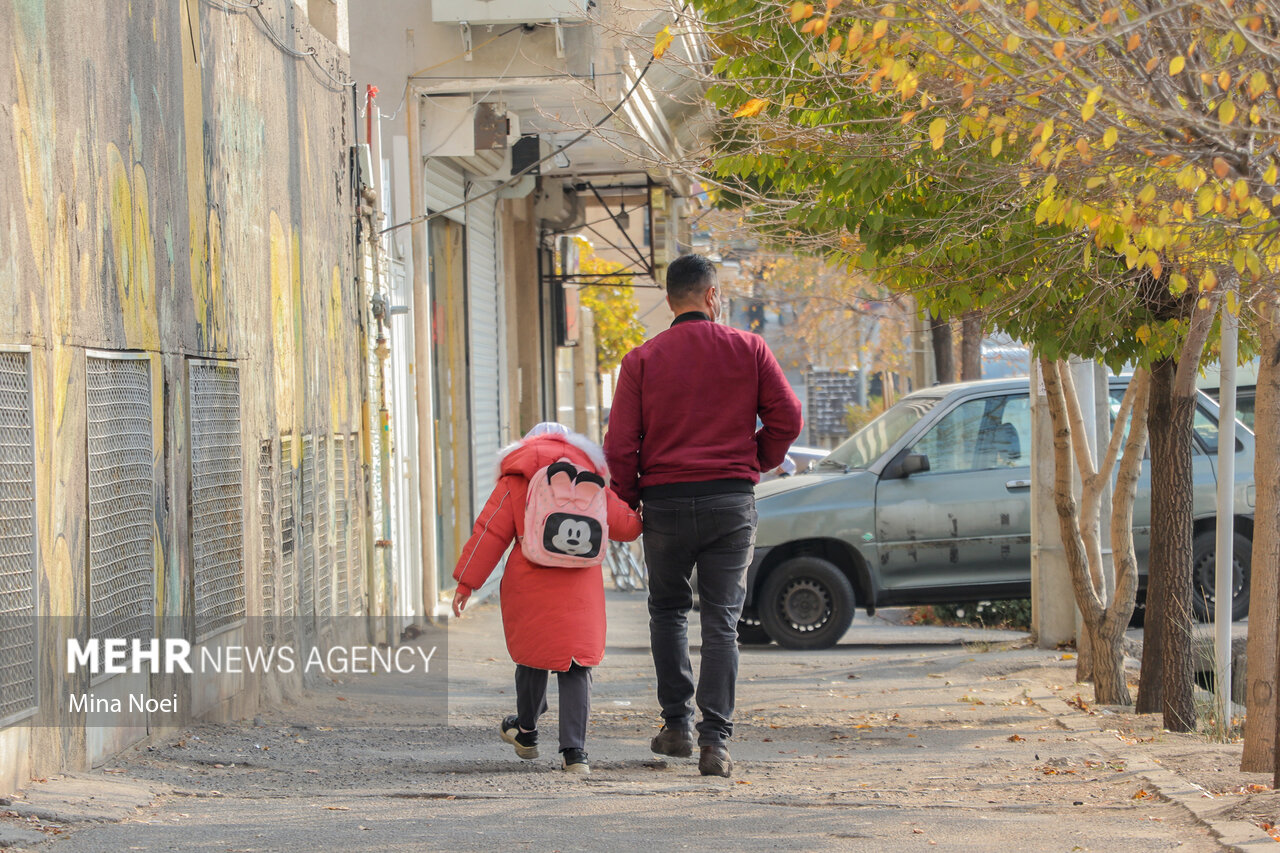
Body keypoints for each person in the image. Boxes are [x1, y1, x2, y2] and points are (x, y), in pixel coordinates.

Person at [603, 254, 803, 778]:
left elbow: (620, 445)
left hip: (666, 502)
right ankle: (716, 741)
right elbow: (789, 418)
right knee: (722, 621)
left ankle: (677, 726)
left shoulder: (641, 361)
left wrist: (630, 496)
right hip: (730, 503)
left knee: (668, 611)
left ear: (670, 300)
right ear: (713, 296)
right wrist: (753, 460)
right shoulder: (749, 348)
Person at [451, 422, 641, 775]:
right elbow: (627, 526)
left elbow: (489, 531)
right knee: (576, 664)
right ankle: (575, 754)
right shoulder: (590, 480)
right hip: (579, 586)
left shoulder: (515, 480)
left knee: (532, 657)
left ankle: (526, 732)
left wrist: (466, 583)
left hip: (530, 581)